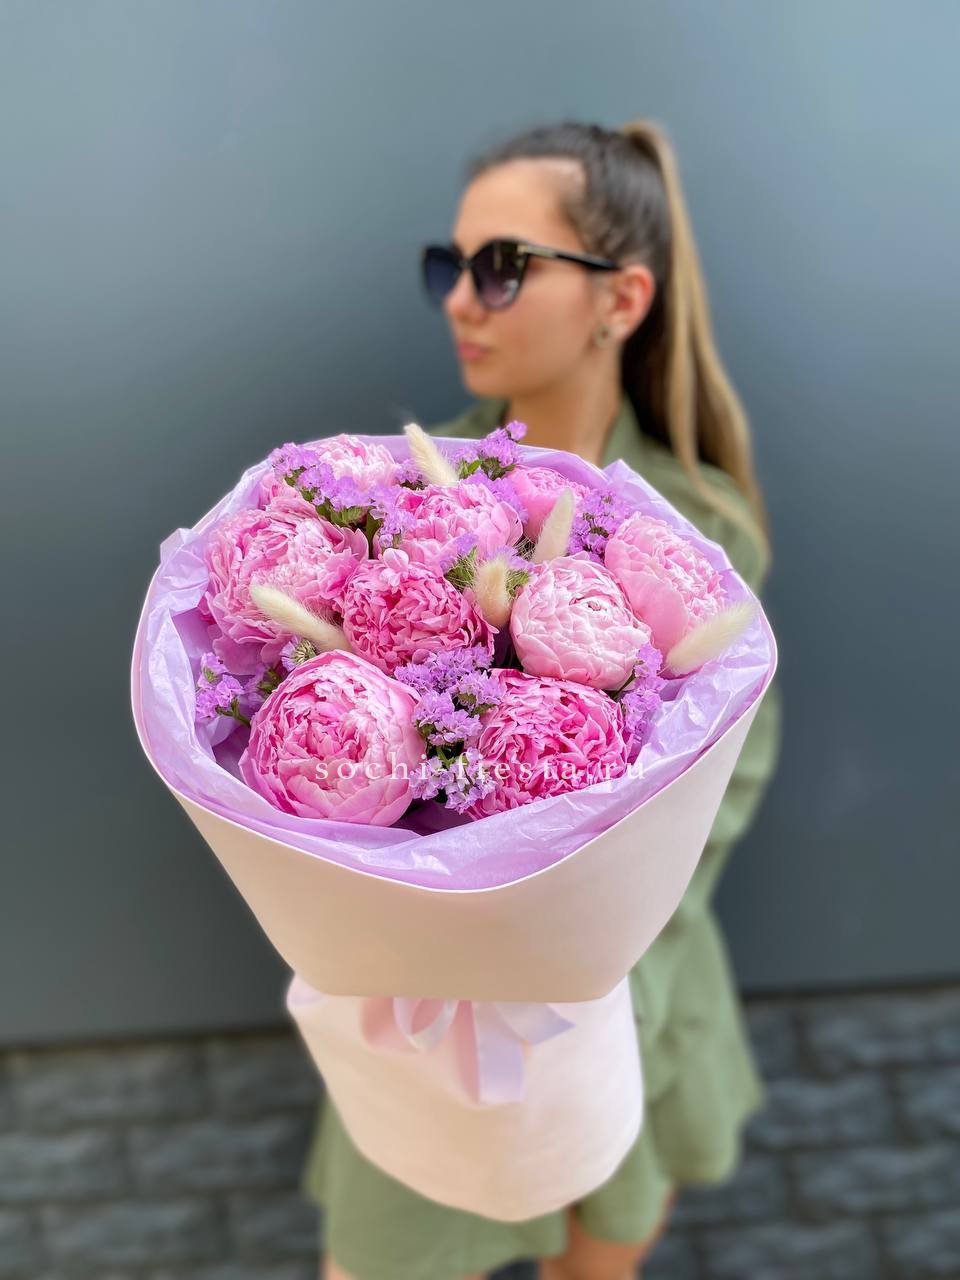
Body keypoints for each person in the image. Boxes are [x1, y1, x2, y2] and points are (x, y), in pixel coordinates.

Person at [301, 117, 783, 1280]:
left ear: (622, 298)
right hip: (430, 1003)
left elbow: (718, 798)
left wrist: (558, 926)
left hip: (626, 984)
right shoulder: (399, 505)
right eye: (451, 266)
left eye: (504, 265)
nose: (464, 301)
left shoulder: (696, 535)